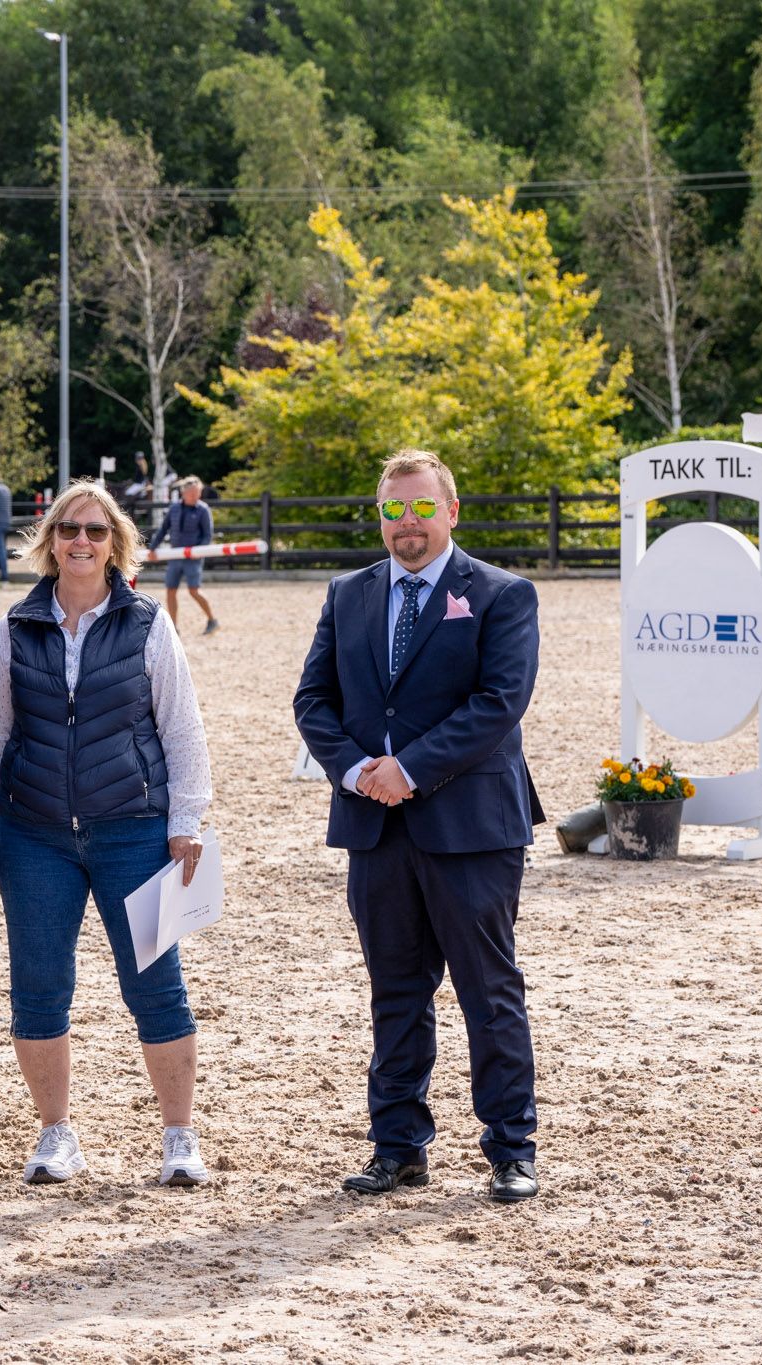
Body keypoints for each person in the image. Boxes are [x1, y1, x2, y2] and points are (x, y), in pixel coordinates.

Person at [292, 448, 545, 1204]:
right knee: (395, 990)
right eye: (393, 509)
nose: (407, 523)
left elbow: (499, 702)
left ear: (452, 510)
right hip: (375, 823)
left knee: (487, 989)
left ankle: (511, 1147)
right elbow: (313, 700)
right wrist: (355, 769)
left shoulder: (503, 594)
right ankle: (398, 1146)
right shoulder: (348, 594)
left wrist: (412, 766)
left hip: (472, 825)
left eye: (422, 507)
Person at [0, 478, 216, 1188]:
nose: (81, 541)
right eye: (69, 529)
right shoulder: (18, 625)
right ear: (50, 542)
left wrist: (185, 820)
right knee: (39, 989)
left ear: (116, 545)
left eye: (96, 532)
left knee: (157, 987)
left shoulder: (147, 624)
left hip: (134, 831)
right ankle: (55, 1134)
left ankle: (179, 1136)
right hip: (34, 836)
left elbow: (182, 726)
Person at [152, 475, 217, 635]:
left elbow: (207, 535)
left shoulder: (203, 509)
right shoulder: (174, 508)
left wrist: (199, 551)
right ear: (184, 493)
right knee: (170, 590)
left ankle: (211, 619)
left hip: (193, 557)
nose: (196, 496)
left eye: (198, 493)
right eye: (193, 493)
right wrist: (153, 548)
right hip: (175, 555)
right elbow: (163, 529)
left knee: (194, 590)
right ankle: (173, 627)